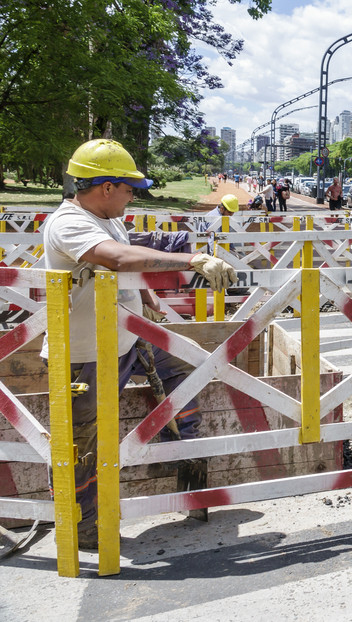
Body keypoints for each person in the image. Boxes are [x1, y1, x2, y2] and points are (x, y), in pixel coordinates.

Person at [42, 139, 237, 550]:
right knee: (82, 443)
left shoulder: (107, 217)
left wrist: (146, 297)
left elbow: (125, 258)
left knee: (186, 370)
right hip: (86, 354)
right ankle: (83, 527)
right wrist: (191, 260)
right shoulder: (69, 223)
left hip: (129, 338)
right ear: (106, 187)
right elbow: (113, 258)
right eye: (129, 188)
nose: (134, 195)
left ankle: (178, 456)